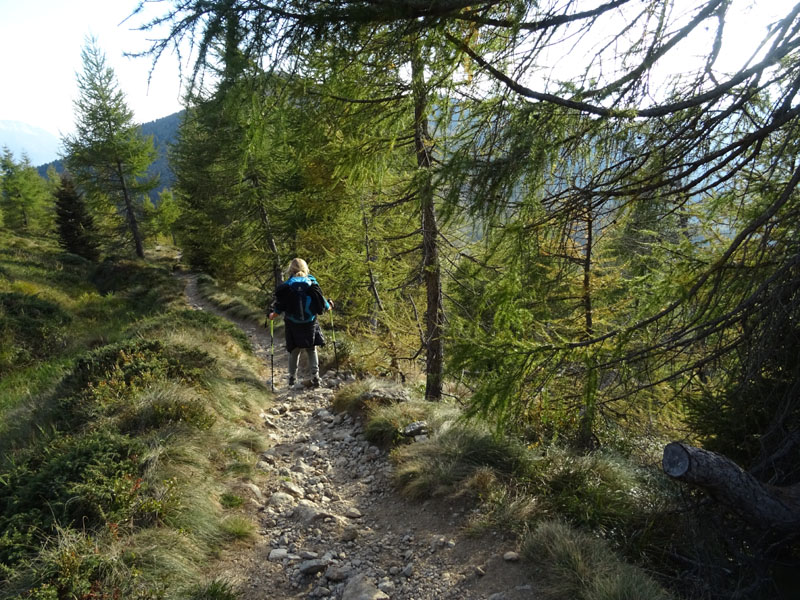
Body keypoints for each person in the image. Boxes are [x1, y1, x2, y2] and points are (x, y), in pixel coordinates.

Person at [269, 258, 333, 388]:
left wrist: (272, 315)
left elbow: (279, 307)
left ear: (290, 270)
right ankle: (315, 376)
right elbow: (323, 304)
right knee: (311, 348)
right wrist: (330, 305)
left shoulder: (288, 285)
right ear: (306, 269)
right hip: (310, 323)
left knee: (294, 350)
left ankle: (292, 378)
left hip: (292, 324)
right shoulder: (312, 283)